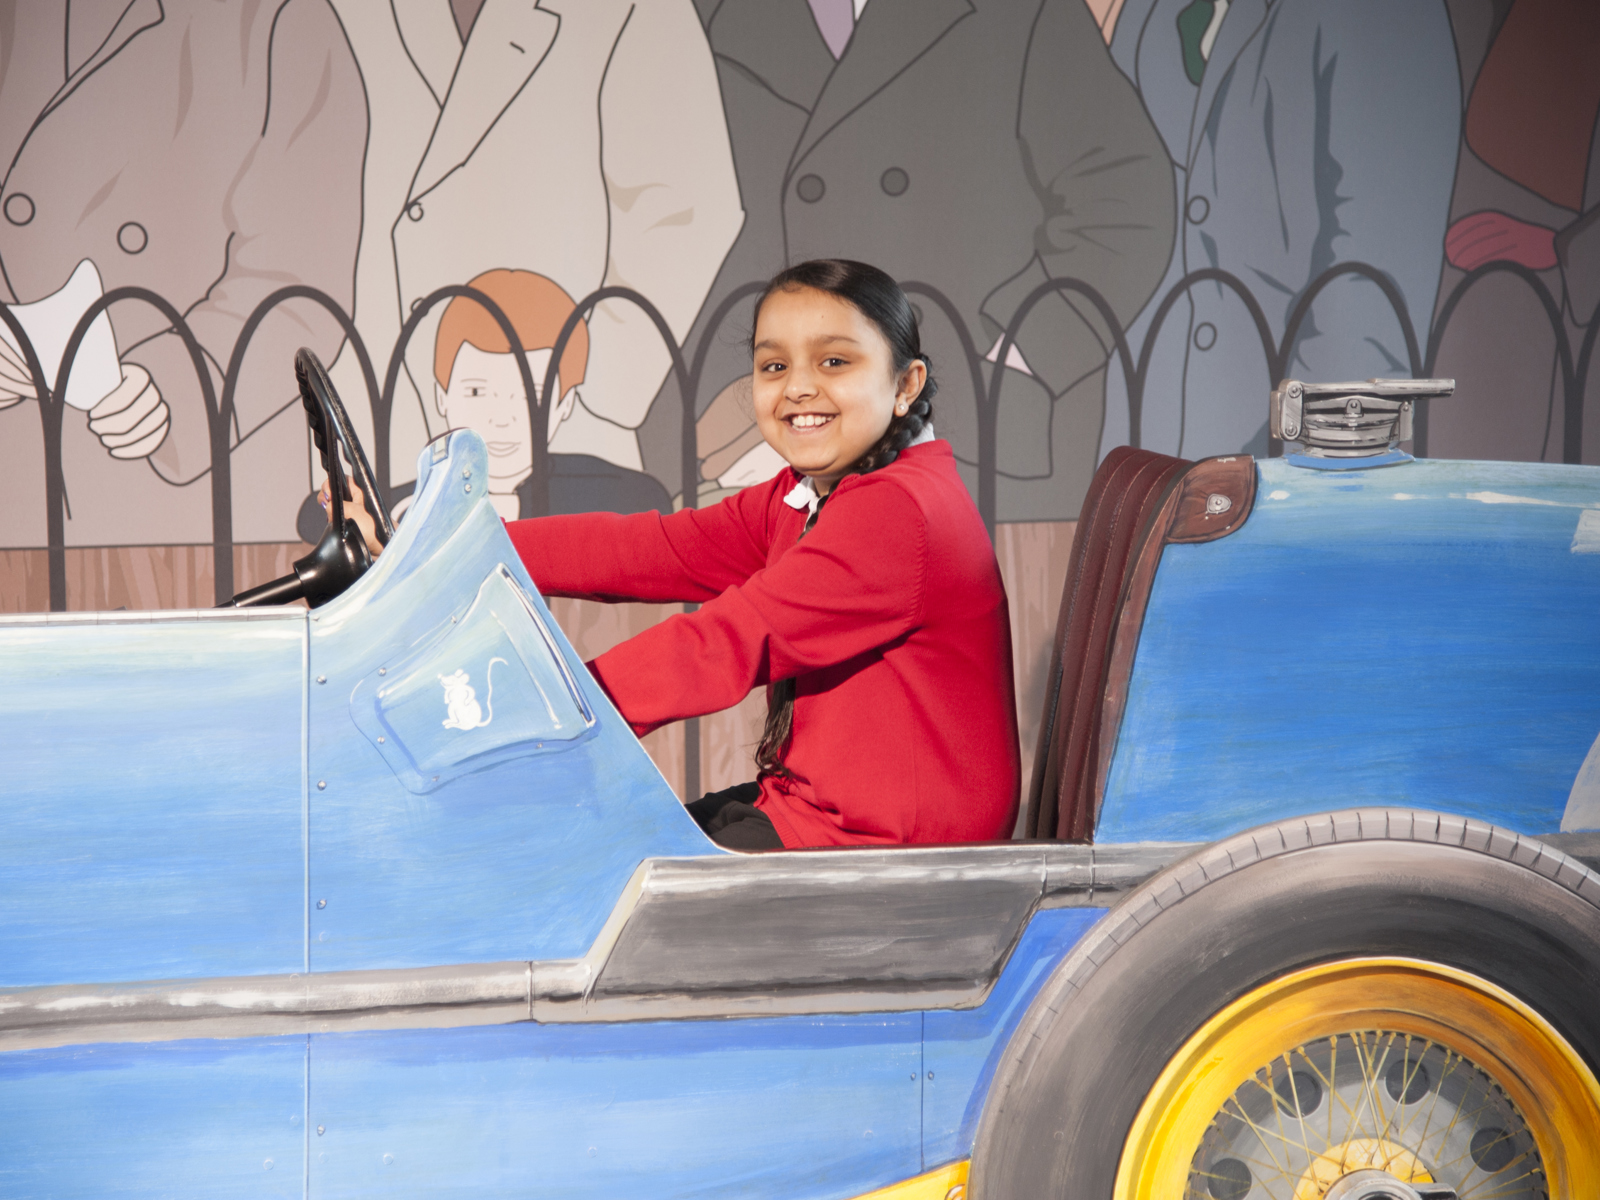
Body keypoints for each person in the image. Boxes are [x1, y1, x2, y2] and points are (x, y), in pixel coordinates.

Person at [330, 260, 1020, 850]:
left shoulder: (899, 510)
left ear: (906, 385)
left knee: (577, 876)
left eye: (834, 362)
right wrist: (442, 545)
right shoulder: (812, 494)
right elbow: (651, 549)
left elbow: (722, 643)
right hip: (818, 812)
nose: (799, 387)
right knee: (590, 852)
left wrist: (538, 717)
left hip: (885, 846)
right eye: (774, 366)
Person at [429, 268, 671, 519]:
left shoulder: (627, 497)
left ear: (566, 403)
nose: (501, 419)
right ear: (441, 396)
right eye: (476, 391)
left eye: (531, 396)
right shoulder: (411, 507)